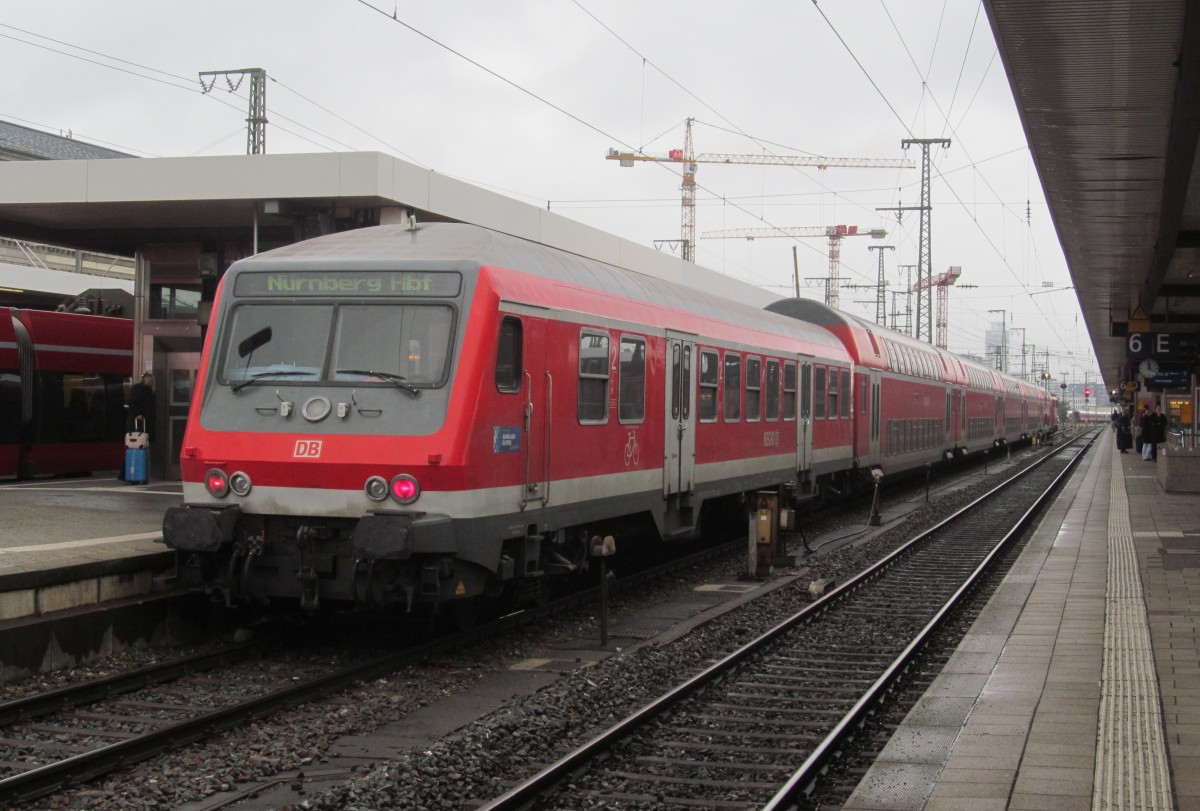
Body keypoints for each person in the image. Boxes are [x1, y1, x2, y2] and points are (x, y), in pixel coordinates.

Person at [127, 372, 157, 442]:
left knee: (139, 442)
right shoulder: (145, 390)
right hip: (142, 423)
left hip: (136, 423)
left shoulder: (137, 389)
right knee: (142, 442)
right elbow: (132, 402)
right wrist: (137, 414)